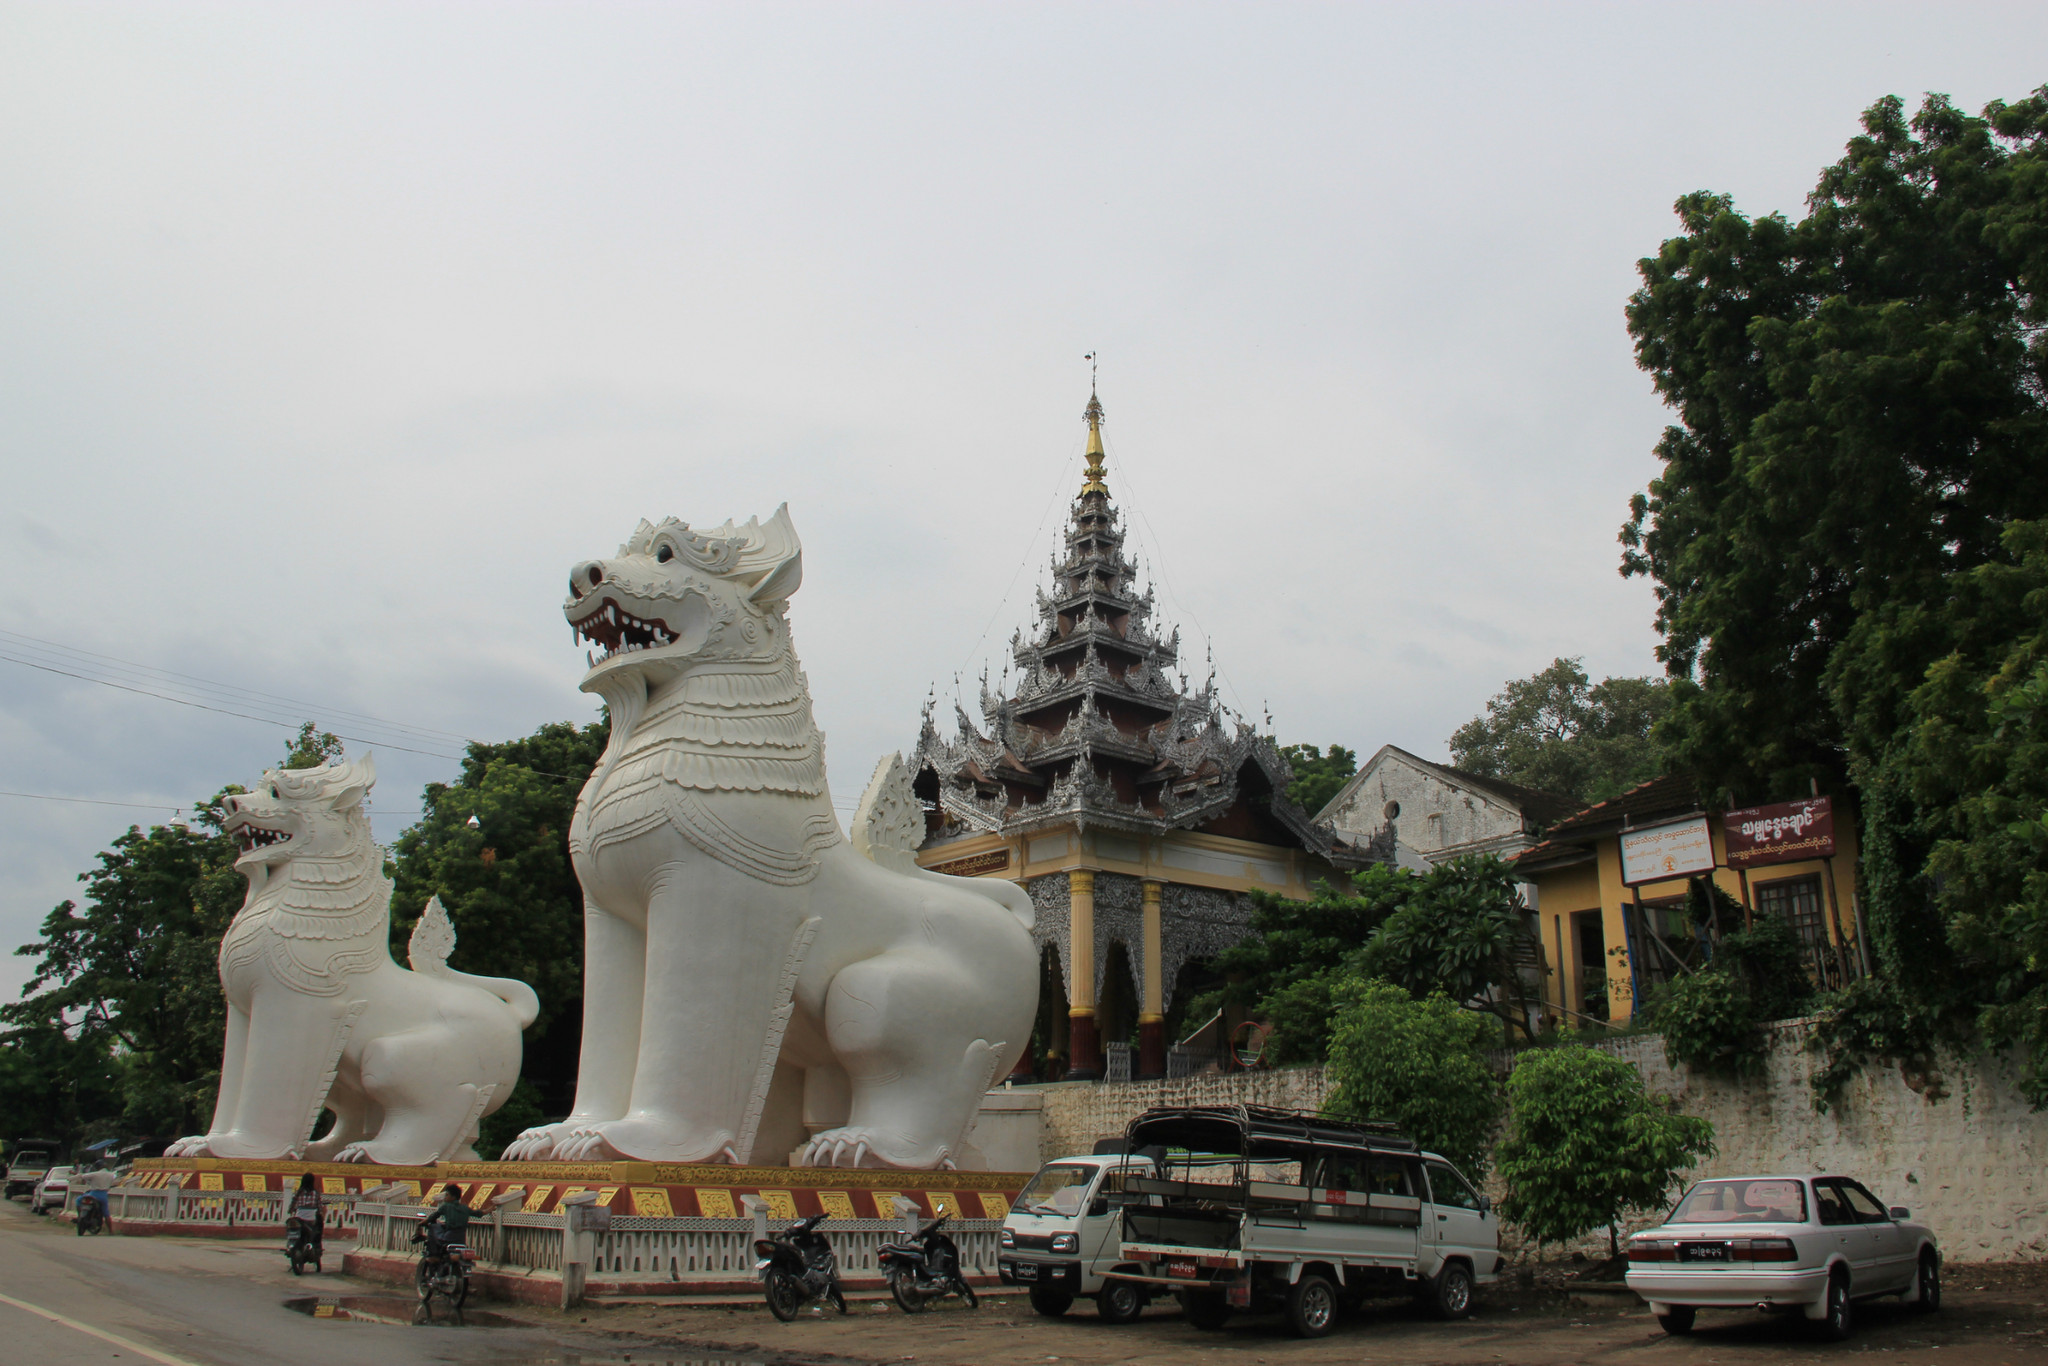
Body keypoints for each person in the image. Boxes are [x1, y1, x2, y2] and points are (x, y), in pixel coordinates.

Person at [423, 1182, 479, 1255]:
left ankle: (433, 1254)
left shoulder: (446, 1206)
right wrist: (490, 1209)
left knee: (433, 1229)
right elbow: (479, 1213)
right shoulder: (465, 1208)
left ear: (453, 1197)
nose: (445, 1197)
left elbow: (433, 1216)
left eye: (447, 1195)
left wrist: (423, 1222)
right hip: (461, 1238)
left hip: (449, 1237)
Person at [289, 1172, 323, 1253]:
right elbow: (319, 1207)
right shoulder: (316, 1193)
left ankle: (291, 1245)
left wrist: (290, 1210)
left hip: (299, 1218)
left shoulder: (298, 1192)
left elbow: (293, 1204)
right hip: (311, 1219)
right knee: (319, 1227)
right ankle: (317, 1245)